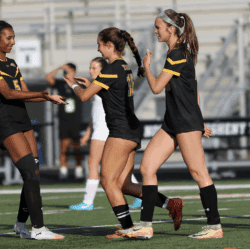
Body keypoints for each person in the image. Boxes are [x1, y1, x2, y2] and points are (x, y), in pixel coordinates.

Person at [63, 27, 184, 239]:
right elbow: (112, 95)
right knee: (124, 184)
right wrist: (91, 84)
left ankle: (129, 228)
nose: (98, 49)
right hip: (131, 129)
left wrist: (73, 84)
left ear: (109, 46)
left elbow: (83, 97)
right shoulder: (124, 67)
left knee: (108, 181)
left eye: (100, 44)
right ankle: (169, 203)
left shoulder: (110, 69)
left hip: (121, 132)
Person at [119, 9, 223, 240]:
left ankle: (214, 227)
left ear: (170, 29)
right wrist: (200, 119)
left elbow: (156, 88)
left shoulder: (177, 54)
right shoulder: (178, 53)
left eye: (158, 27)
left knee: (199, 173)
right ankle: (146, 225)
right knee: (147, 168)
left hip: (185, 123)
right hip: (173, 122)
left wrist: (146, 66)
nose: (155, 31)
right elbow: (193, 90)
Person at [0, 20, 66, 240]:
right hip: (5, 123)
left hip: (23, 121)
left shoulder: (12, 64)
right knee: (29, 172)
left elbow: (25, 92)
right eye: (8, 38)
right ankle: (38, 229)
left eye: (13, 37)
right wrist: (44, 95)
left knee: (33, 174)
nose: (12, 42)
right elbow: (8, 93)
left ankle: (20, 224)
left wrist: (48, 96)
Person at [68, 57, 142, 211]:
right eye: (90, 67)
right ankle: (140, 195)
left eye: (95, 68)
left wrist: (73, 84)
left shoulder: (103, 84)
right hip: (102, 130)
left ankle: (88, 201)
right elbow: (95, 115)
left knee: (93, 164)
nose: (91, 71)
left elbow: (84, 96)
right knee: (119, 168)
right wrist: (88, 132)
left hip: (104, 131)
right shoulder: (99, 85)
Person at [45, 64, 84, 180]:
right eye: (67, 72)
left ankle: (79, 168)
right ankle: (63, 169)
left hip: (76, 120)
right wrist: (59, 68)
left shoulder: (79, 84)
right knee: (64, 147)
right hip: (64, 120)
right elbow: (48, 77)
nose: (68, 74)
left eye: (70, 71)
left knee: (77, 147)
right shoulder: (61, 84)